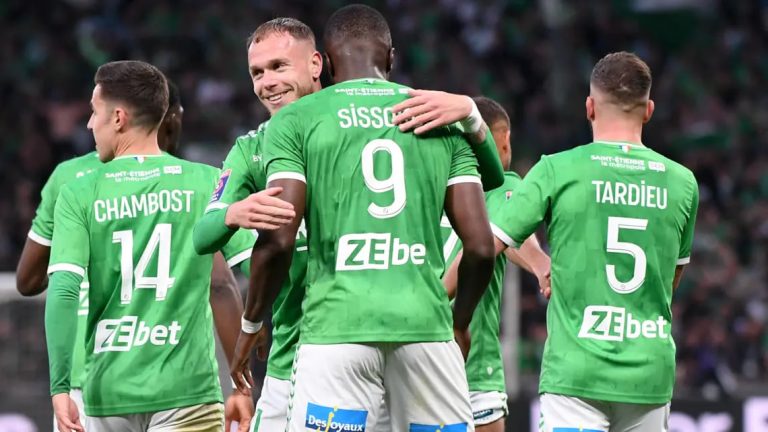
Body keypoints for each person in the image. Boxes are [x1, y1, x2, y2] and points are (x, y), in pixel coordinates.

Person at [229, 4, 496, 431]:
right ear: (391, 58)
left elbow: (278, 239)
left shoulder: (297, 120)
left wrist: (251, 323)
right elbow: (481, 247)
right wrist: (459, 323)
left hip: (336, 330)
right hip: (426, 327)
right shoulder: (437, 114)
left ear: (327, 64)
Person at [18, 78, 255, 431]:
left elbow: (43, 284)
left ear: (118, 118)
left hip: (97, 382)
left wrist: (60, 385)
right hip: (184, 386)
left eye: (93, 112)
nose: (88, 123)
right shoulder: (204, 181)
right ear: (167, 117)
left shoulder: (74, 185)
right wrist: (243, 381)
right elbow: (235, 277)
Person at [489, 52, 698, 431]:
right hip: (647, 372)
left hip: (577, 370)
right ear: (648, 110)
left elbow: (488, 245)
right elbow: (671, 280)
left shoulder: (556, 169)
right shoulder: (683, 182)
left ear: (589, 106)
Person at [193, 17, 319, 432]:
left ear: (315, 65)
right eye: (257, 72)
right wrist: (233, 214)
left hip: (348, 336)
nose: (267, 82)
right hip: (286, 352)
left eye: (279, 66)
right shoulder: (250, 149)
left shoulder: (351, 130)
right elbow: (203, 234)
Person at [440, 96, 551, 432]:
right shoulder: (499, 181)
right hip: (470, 361)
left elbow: (512, 237)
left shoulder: (425, 183)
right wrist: (541, 264)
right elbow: (508, 233)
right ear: (500, 142)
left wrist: (537, 261)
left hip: (422, 347)